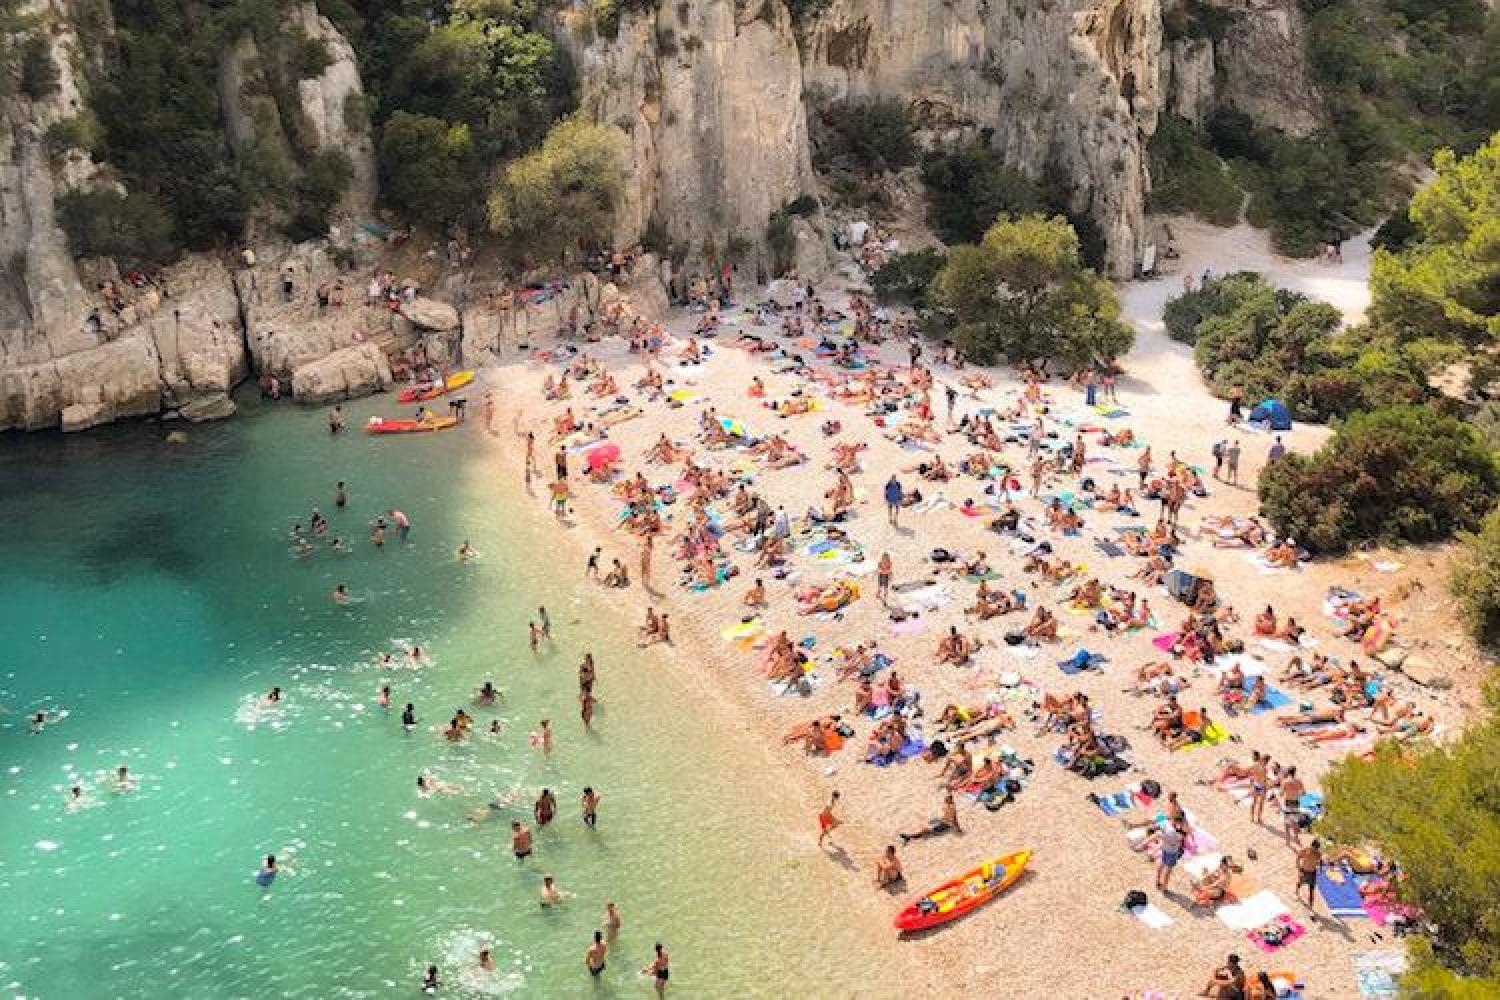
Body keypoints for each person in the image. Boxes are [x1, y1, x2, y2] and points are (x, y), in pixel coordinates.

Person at [1295, 839, 1322, 910]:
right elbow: (1298, 858)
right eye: (1314, 848)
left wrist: (1317, 864)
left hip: (1312, 873)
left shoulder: (1318, 854)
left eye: (1316, 849)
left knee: (1311, 891)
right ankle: (1297, 894)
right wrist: (1299, 869)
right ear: (1311, 846)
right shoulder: (1305, 850)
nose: (1315, 850)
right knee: (1300, 883)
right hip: (1304, 871)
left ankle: (1311, 908)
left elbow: (1318, 862)